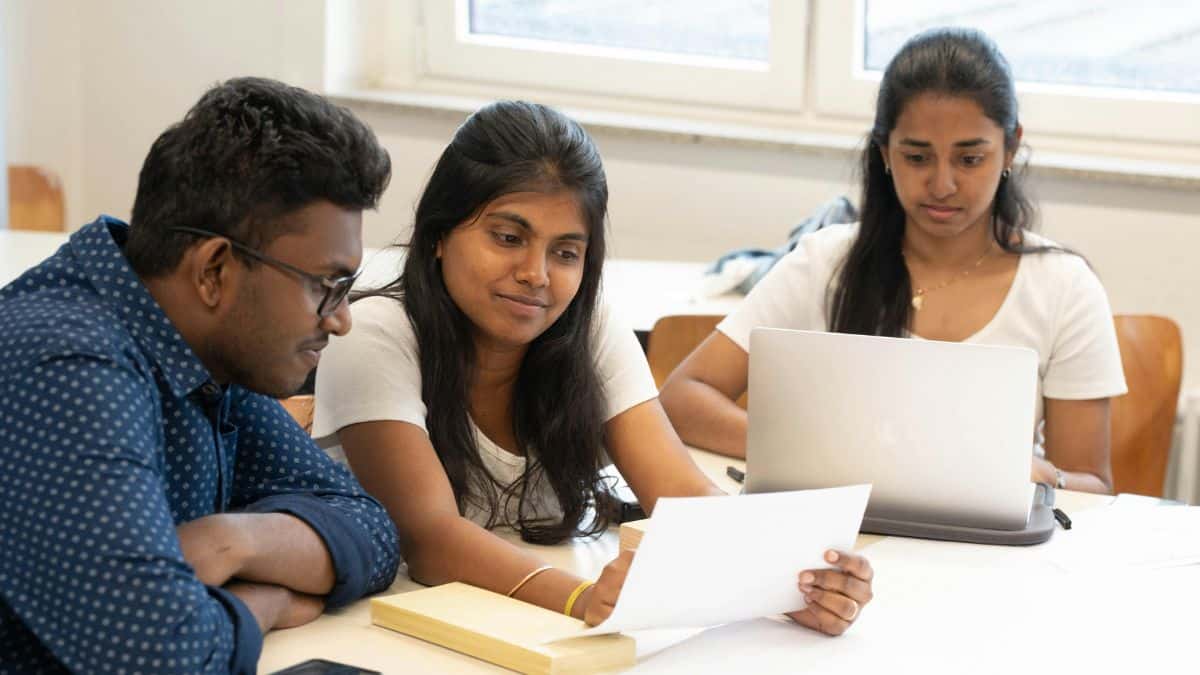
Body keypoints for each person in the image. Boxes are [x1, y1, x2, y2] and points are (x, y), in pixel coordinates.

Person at [313, 100, 874, 637]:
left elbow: (680, 493)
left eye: (565, 253)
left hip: (541, 633)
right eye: (508, 238)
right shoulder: (375, 332)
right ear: (438, 235)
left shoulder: (588, 326)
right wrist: (581, 598)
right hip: (396, 634)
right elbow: (430, 541)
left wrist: (793, 582)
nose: (536, 274)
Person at [0, 77, 401, 673]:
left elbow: (371, 532)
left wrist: (232, 539)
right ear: (214, 269)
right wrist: (263, 600)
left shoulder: (202, 348)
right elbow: (158, 655)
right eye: (325, 285)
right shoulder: (64, 365)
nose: (341, 320)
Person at [659, 28, 1126, 494]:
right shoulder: (827, 262)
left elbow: (1093, 484)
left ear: (1010, 147)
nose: (942, 184)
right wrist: (818, 454)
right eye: (918, 157)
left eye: (969, 159)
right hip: (839, 540)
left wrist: (1044, 477)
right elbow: (683, 398)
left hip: (991, 547)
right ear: (885, 152)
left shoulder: (1063, 285)